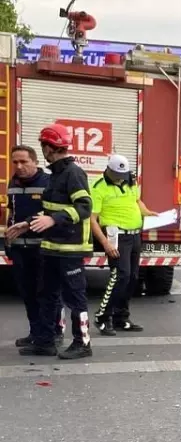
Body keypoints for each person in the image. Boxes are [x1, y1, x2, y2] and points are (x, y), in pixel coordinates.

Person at [18, 124, 93, 359]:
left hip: (70, 249)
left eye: (43, 146)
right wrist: (26, 223)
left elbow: (84, 207)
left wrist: (54, 220)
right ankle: (46, 342)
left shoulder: (73, 173)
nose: (43, 151)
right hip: (51, 248)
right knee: (48, 296)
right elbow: (48, 210)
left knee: (75, 298)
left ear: (49, 147)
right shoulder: (54, 175)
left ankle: (83, 344)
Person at [4, 144, 63, 347]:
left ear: (35, 162)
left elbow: (51, 214)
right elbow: (11, 213)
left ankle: (53, 332)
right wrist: (8, 239)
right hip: (20, 248)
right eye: (15, 162)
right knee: (28, 293)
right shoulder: (13, 183)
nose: (19, 166)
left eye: (24, 162)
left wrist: (28, 223)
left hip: (42, 248)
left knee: (46, 294)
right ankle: (36, 332)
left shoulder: (48, 182)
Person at [91, 154, 155, 335]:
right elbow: (92, 219)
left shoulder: (131, 181)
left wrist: (147, 212)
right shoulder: (98, 187)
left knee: (133, 277)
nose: (121, 177)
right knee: (120, 276)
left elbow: (136, 201)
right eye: (117, 174)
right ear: (108, 170)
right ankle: (102, 317)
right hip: (116, 236)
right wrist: (105, 243)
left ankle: (121, 317)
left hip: (134, 235)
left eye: (124, 173)